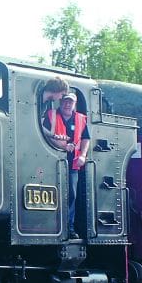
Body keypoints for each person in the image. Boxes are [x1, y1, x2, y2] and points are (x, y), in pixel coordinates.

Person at [43, 89, 90, 238]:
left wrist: (83, 155)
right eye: (65, 101)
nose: (67, 104)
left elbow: (86, 138)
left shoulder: (81, 119)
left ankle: (69, 228)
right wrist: (62, 146)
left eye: (71, 102)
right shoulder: (51, 116)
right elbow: (45, 135)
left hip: (73, 164)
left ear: (75, 104)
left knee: (72, 195)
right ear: (60, 102)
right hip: (52, 162)